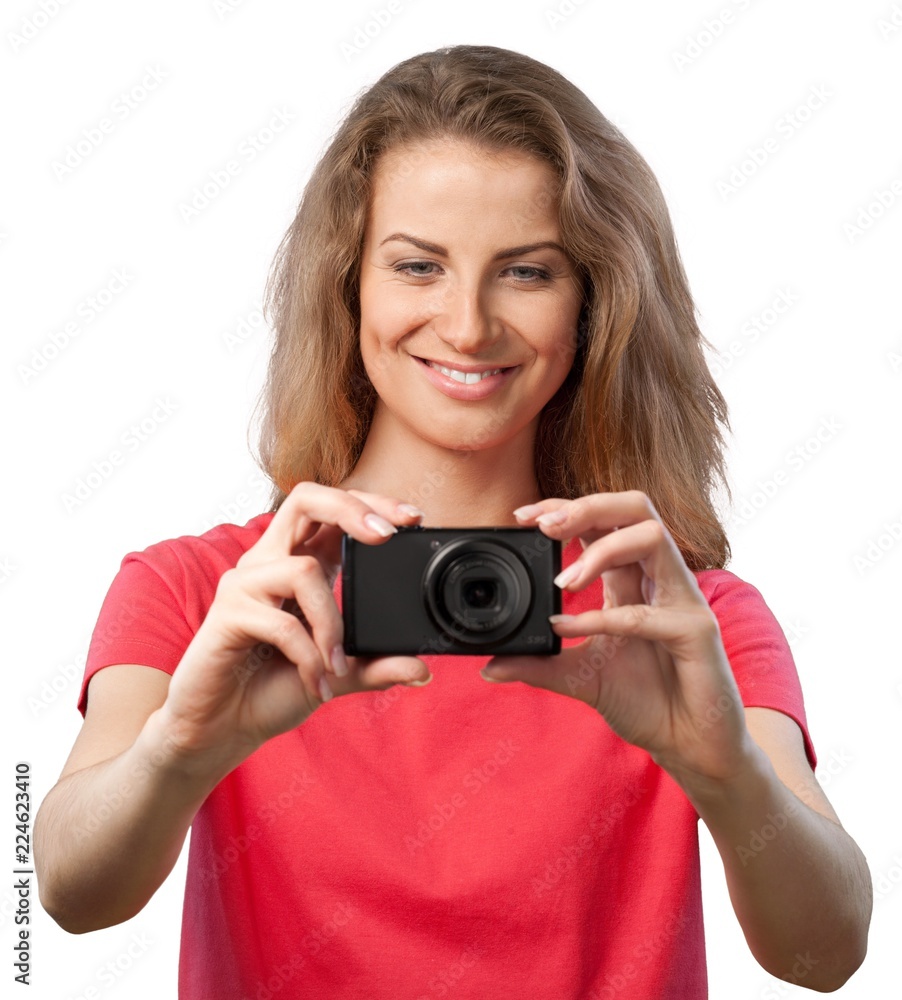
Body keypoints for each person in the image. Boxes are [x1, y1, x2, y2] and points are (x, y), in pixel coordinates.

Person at [34, 44, 871, 998]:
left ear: (596, 303)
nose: (468, 326)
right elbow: (66, 889)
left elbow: (827, 956)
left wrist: (721, 771)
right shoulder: (209, 592)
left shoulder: (676, 618)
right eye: (418, 266)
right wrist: (183, 749)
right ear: (348, 284)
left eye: (526, 272)